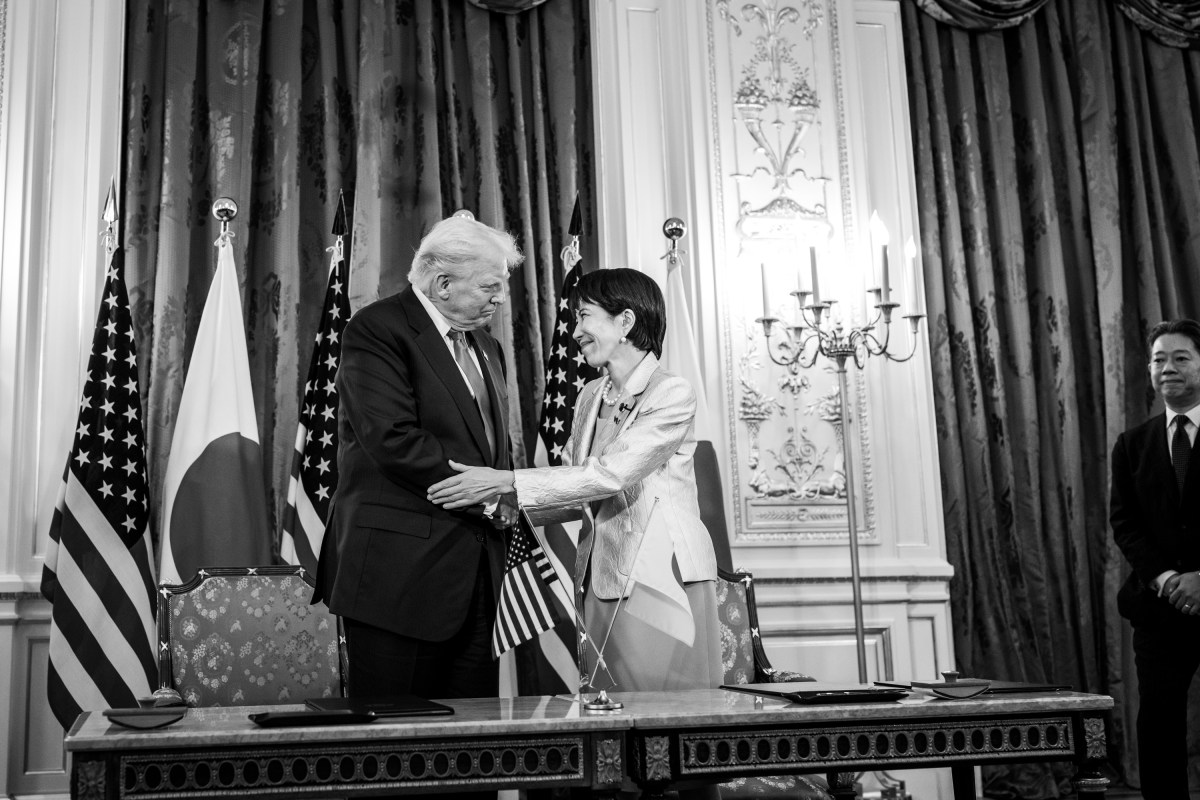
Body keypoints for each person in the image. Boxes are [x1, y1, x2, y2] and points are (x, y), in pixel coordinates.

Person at [427, 267, 721, 695]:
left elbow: (611, 476)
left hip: (659, 578)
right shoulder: (589, 396)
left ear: (625, 322)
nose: (576, 331)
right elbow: (574, 492)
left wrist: (507, 480)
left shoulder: (671, 392)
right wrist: (499, 509)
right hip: (600, 578)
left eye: (584, 316)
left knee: (662, 719)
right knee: (608, 717)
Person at [314, 214, 523, 708]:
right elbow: (393, 439)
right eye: (491, 286)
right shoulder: (378, 329)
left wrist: (503, 493)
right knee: (397, 750)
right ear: (442, 282)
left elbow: (492, 448)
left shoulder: (488, 347)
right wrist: (494, 496)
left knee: (474, 751)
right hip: (399, 580)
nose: (501, 299)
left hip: (476, 580)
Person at [1111, 318, 1200, 800]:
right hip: (1159, 609)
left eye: (1181, 357)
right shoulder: (1132, 444)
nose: (1168, 367)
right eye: (1159, 359)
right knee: (1159, 725)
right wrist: (1169, 580)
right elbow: (1125, 524)